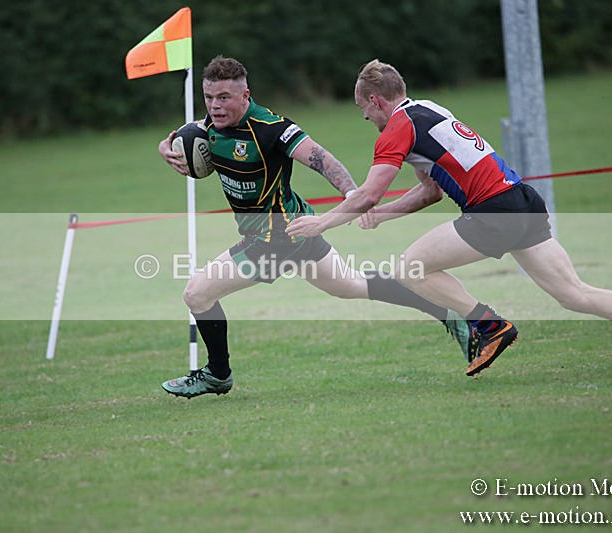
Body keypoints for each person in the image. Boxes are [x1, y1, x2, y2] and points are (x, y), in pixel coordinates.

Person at [286, 58, 612, 376]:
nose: (366, 120)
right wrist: (382, 216)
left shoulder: (396, 129)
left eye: (363, 111)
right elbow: (430, 191)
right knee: (574, 293)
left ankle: (488, 325)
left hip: (494, 211)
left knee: (410, 268)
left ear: (375, 101)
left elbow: (369, 191)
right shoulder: (429, 111)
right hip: (522, 200)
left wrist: (321, 223)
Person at [157, 56, 473, 398]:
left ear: (245, 95)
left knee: (197, 292)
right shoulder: (205, 129)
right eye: (209, 98)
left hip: (276, 238)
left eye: (224, 98)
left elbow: (322, 158)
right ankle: (445, 311)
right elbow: (184, 144)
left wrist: (353, 195)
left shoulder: (270, 128)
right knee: (350, 286)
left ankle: (218, 374)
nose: (215, 106)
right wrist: (171, 150)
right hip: (302, 227)